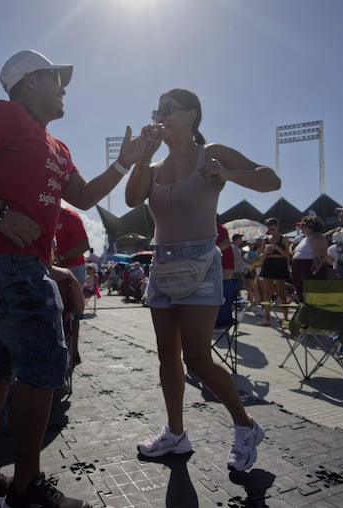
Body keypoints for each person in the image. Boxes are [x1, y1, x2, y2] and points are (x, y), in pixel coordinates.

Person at [0, 49, 154, 508]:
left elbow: (85, 197)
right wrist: (0, 212)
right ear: (29, 82)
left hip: (15, 263)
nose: (64, 87)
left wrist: (125, 163)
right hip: (0, 260)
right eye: (56, 78)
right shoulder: (7, 114)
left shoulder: (56, 146)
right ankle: (26, 490)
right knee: (46, 361)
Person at [124, 88, 280, 472]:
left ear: (191, 115)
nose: (159, 115)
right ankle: (175, 433)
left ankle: (246, 426)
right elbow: (131, 199)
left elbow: (270, 179)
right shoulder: (155, 166)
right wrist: (142, 158)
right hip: (162, 265)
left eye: (168, 109)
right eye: (156, 109)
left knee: (196, 358)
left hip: (200, 262)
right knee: (166, 356)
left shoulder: (211, 153)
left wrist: (225, 174)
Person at [257, 217, 291, 324]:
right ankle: (266, 318)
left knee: (281, 293)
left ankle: (286, 319)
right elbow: (261, 257)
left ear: (277, 227)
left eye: (273, 229)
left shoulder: (284, 238)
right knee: (267, 292)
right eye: (269, 229)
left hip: (280, 264)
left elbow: (288, 256)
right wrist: (266, 251)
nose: (271, 231)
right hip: (268, 265)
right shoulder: (265, 240)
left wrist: (278, 249)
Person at [290, 215, 328, 299]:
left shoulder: (317, 237)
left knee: (311, 297)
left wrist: (311, 275)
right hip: (302, 273)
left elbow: (320, 257)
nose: (301, 227)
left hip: (309, 274)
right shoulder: (307, 237)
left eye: (302, 225)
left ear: (310, 226)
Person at [54, 206, 90, 287]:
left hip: (74, 268)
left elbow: (84, 246)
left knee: (70, 298)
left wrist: (61, 258)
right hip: (57, 268)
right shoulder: (49, 217)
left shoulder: (70, 216)